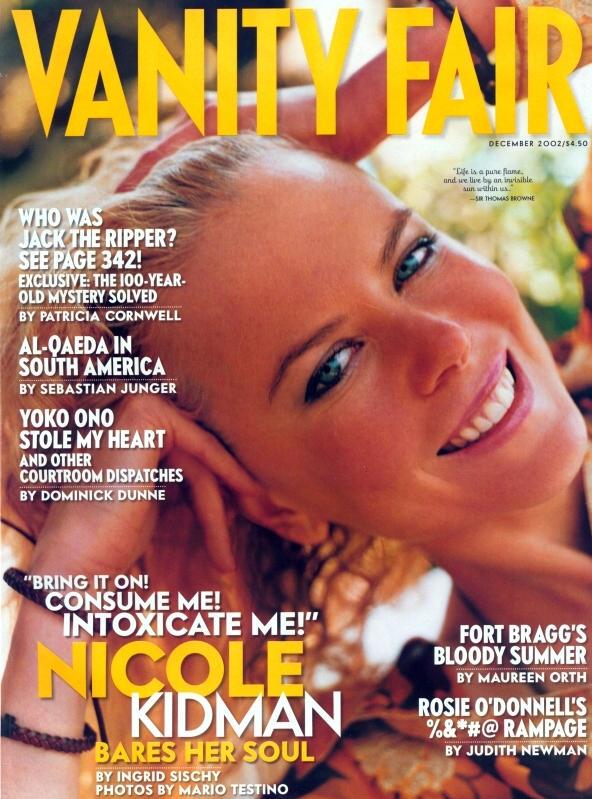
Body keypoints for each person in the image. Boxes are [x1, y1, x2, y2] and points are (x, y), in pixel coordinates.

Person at [1, 0, 591, 797]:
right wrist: (62, 590)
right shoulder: (404, 771)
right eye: (332, 368)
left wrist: (365, 98)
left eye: (412, 259)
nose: (445, 342)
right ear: (276, 503)